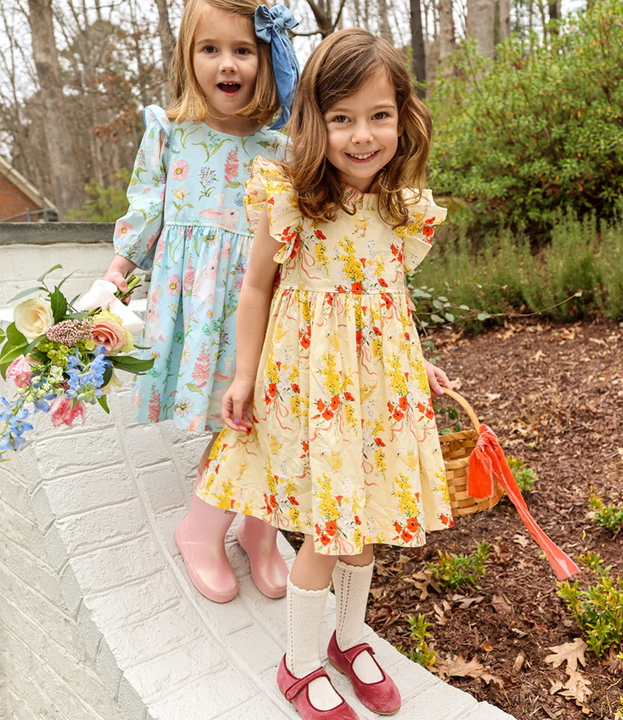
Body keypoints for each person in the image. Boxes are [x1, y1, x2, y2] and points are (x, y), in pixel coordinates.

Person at [198, 28, 456, 719]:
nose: (362, 136)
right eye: (341, 119)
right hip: (313, 396)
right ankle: (298, 662)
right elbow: (256, 291)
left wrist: (414, 363)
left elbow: (387, 302)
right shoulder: (293, 199)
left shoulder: (402, 207)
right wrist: (243, 374)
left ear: (403, 116)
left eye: (378, 116)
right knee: (326, 531)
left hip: (379, 396)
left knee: (364, 525)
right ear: (315, 122)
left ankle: (348, 637)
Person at [104, 0, 300, 604]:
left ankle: (258, 534)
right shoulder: (172, 131)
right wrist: (116, 275)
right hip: (196, 302)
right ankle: (203, 529)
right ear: (189, 59)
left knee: (265, 413)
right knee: (236, 419)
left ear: (267, 58)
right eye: (210, 49)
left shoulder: (283, 145)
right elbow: (147, 206)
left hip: (260, 303)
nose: (227, 64)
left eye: (244, 50)